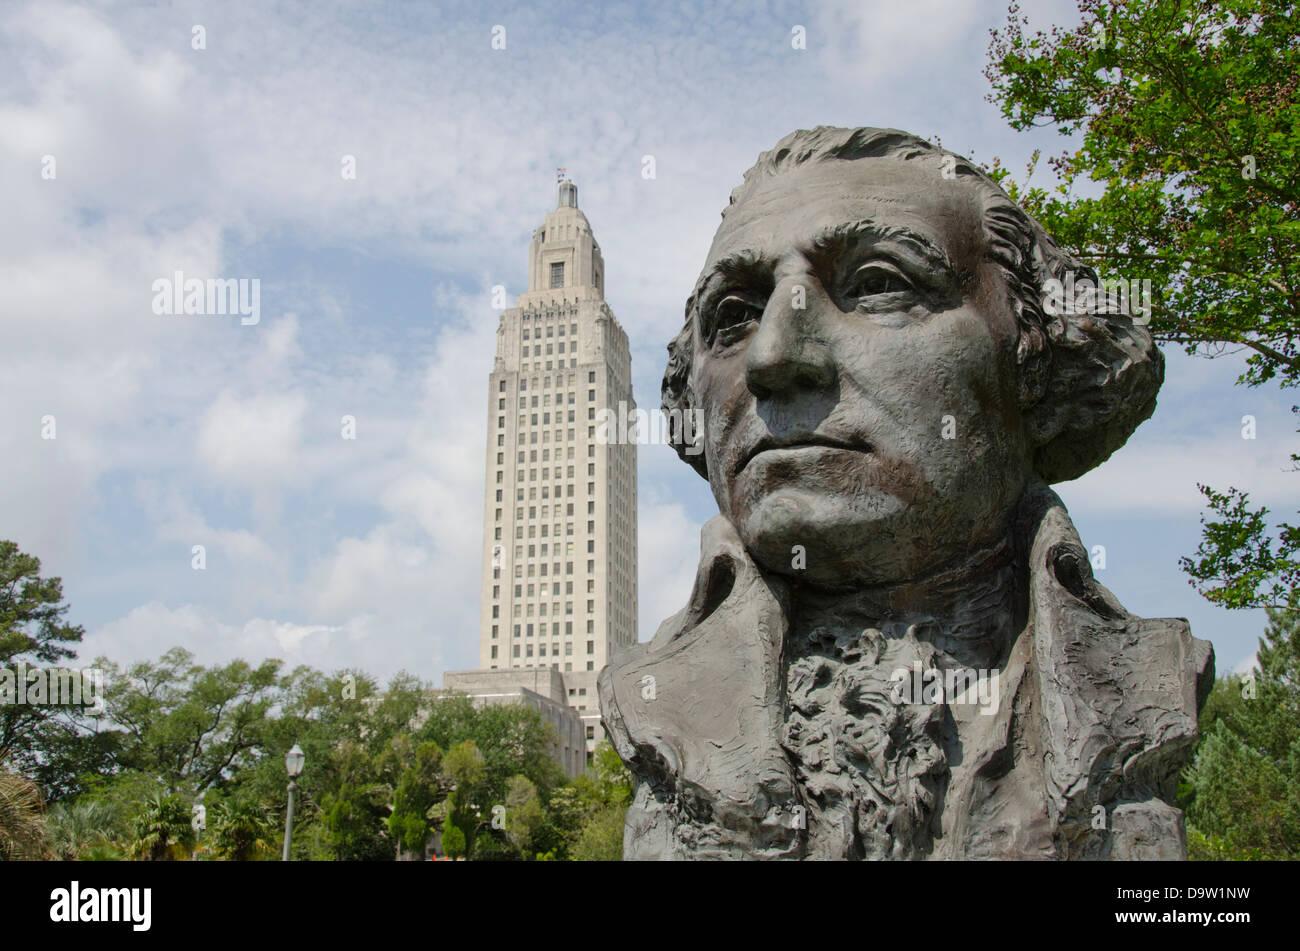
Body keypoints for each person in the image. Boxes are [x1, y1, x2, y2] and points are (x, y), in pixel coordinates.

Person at [598, 126, 1213, 860]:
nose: (773, 356)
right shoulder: (657, 705)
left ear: (1034, 355)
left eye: (879, 283)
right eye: (734, 314)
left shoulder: (1141, 683)